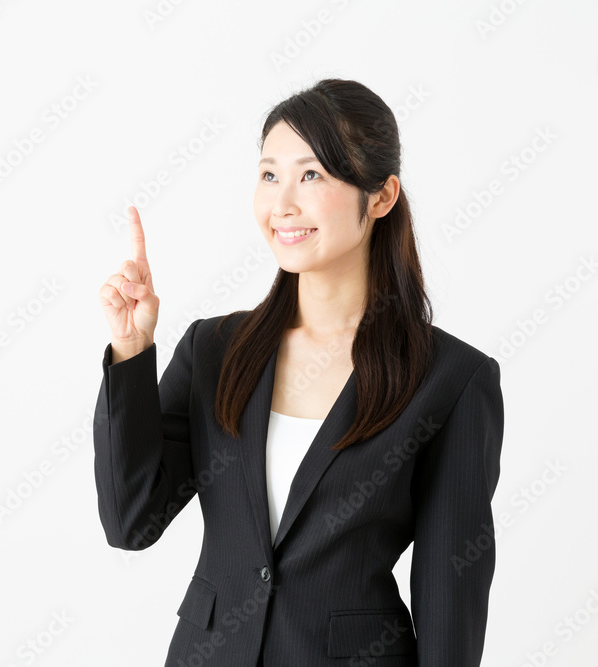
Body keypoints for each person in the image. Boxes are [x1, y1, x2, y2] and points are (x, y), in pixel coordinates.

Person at [93, 78, 504, 666]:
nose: (282, 203)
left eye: (311, 175)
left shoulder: (452, 380)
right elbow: (131, 521)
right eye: (269, 175)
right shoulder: (214, 348)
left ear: (381, 196)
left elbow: (450, 595)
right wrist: (131, 353)